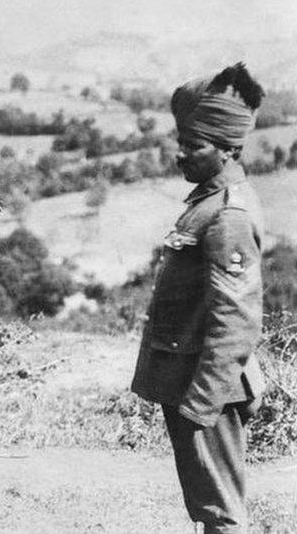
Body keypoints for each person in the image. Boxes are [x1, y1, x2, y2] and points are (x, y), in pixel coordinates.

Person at [131, 63, 266, 534]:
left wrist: (202, 403)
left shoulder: (227, 215)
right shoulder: (208, 203)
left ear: (228, 150)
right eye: (182, 143)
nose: (180, 155)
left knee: (220, 512)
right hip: (193, 381)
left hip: (208, 388)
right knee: (207, 507)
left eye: (194, 146)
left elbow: (237, 321)